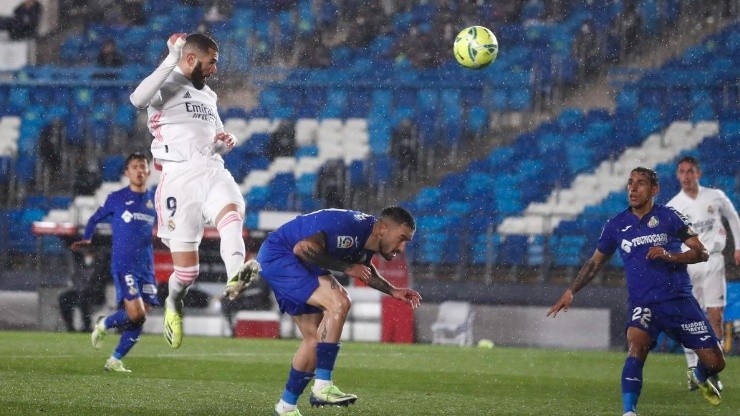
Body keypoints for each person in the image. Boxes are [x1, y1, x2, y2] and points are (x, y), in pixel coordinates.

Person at [547, 167, 725, 415]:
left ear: (655, 190)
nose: (632, 187)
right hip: (644, 303)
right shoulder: (616, 225)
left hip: (679, 301)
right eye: (630, 182)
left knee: (717, 363)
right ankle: (629, 411)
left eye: (640, 183)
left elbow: (701, 252)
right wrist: (571, 291)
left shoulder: (670, 217)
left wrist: (669, 255)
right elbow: (594, 263)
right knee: (636, 345)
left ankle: (699, 374)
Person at [129, 32, 256, 349]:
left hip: (211, 168)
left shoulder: (208, 96)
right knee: (186, 273)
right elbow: (137, 99)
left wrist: (222, 143)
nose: (215, 69)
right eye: (211, 62)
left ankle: (235, 277)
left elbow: (215, 134)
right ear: (190, 59)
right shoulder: (166, 83)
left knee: (232, 214)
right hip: (178, 179)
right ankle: (174, 301)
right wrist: (170, 59)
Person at [257, 206, 422, 416]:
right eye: (401, 238)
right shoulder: (351, 228)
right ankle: (323, 386)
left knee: (315, 340)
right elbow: (303, 247)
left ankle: (286, 407)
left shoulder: (369, 239)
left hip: (297, 260)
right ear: (382, 229)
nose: (402, 247)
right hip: (282, 256)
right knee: (340, 302)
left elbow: (364, 270)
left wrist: (392, 290)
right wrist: (346, 267)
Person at [71, 152, 157, 372]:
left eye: (142, 166)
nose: (139, 170)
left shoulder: (155, 201)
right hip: (124, 264)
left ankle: (115, 359)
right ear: (127, 172)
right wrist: (87, 238)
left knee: (140, 317)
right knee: (136, 313)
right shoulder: (116, 198)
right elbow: (94, 218)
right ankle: (105, 324)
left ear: (148, 171)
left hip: (146, 266)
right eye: (134, 167)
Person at [666, 156, 740, 392]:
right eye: (682, 172)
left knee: (715, 317)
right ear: (678, 176)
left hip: (714, 261)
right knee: (691, 319)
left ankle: (710, 371)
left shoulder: (715, 196)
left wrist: (738, 246)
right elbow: (666, 237)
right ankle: (692, 369)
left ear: (698, 173)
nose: (686, 176)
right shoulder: (674, 206)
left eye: (690, 171)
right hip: (689, 266)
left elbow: (733, 216)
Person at [58, 249, 107, 332]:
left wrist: (88, 288)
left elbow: (100, 282)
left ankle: (87, 326)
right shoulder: (80, 265)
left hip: (94, 294)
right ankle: (70, 326)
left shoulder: (100, 265)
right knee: (63, 298)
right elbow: (75, 279)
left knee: (84, 298)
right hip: (79, 292)